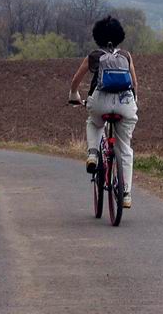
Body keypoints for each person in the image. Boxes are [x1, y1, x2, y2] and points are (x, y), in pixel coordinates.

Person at [68, 16, 139, 208]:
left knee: (93, 123)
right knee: (125, 148)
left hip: (100, 103)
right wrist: (134, 102)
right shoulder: (126, 56)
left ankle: (92, 154)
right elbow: (134, 83)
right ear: (119, 36)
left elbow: (76, 80)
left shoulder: (94, 56)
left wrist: (74, 95)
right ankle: (125, 194)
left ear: (97, 36)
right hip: (125, 104)